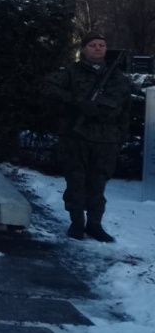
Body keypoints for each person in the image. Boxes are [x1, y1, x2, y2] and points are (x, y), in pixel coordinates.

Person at [43, 32, 132, 242]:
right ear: (83, 49)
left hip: (106, 139)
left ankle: (94, 225)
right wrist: (77, 102)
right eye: (93, 45)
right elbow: (47, 87)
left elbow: (126, 108)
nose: (98, 48)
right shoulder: (72, 72)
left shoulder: (117, 77)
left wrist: (121, 135)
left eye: (102, 45)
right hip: (77, 136)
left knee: (98, 184)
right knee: (76, 181)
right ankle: (77, 223)